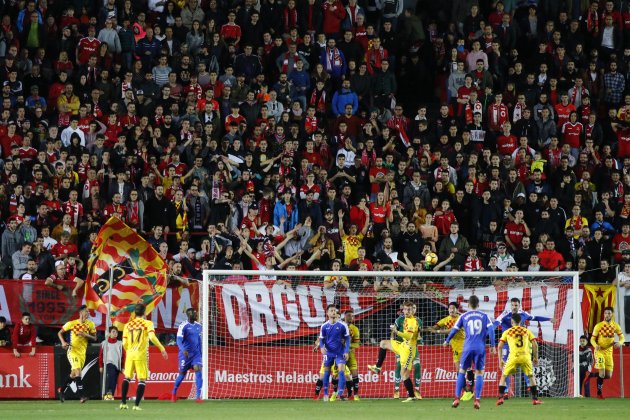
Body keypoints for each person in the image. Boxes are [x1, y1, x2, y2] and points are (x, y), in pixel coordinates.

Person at [444, 295, 496, 409]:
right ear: (478, 305)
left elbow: (454, 330)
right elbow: (491, 330)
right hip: (480, 347)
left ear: (468, 305)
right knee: (479, 373)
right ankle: (477, 400)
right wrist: (493, 345)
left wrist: (447, 340)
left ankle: (457, 398)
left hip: (467, 347)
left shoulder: (464, 316)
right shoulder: (484, 315)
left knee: (462, 371)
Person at [493, 297, 554, 394]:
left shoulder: (523, 314)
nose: (514, 307)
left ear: (519, 305)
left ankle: (529, 386)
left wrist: (549, 319)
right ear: (510, 305)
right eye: (512, 305)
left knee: (526, 364)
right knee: (505, 368)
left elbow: (535, 318)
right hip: (507, 345)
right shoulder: (505, 314)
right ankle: (505, 390)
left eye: (516, 305)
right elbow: (496, 323)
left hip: (520, 346)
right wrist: (490, 330)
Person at [368, 301, 420, 403]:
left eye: (409, 310)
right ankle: (378, 367)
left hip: (408, 349)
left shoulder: (412, 321)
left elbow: (409, 336)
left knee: (404, 374)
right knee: (383, 343)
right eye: (405, 309)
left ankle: (411, 396)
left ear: (412, 311)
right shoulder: (405, 319)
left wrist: (397, 332)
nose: (406, 311)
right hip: (402, 345)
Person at [120, 303, 168, 410]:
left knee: (127, 377)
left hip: (129, 354)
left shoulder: (128, 325)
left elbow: (124, 343)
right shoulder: (147, 323)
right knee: (141, 379)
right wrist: (162, 348)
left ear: (134, 313)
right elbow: (152, 337)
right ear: (144, 312)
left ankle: (123, 403)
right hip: (140, 355)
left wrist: (129, 350)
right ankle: (136, 405)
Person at [495, 313, 543, 406]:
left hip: (513, 357)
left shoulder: (508, 331)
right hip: (525, 357)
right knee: (531, 376)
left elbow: (500, 346)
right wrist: (535, 357)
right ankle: (535, 399)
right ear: (520, 322)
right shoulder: (526, 331)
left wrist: (500, 359)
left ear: (512, 322)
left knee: (504, 376)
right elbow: (535, 344)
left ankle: (501, 398)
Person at [429, 302, 473, 400]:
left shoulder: (461, 318)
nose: (451, 310)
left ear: (457, 309)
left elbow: (453, 330)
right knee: (459, 370)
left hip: (464, 346)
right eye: (450, 308)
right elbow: (436, 325)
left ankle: (470, 391)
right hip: (455, 348)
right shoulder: (446, 319)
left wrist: (437, 331)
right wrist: (430, 328)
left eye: (453, 308)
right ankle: (466, 391)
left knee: (467, 369)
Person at [57, 305, 97, 403]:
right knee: (78, 372)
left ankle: (61, 389)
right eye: (87, 312)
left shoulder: (90, 324)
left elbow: (95, 338)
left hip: (82, 353)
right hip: (72, 351)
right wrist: (63, 342)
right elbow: (59, 333)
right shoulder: (72, 323)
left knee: (74, 375)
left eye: (88, 312)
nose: (88, 313)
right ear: (81, 312)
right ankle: (82, 396)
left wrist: (85, 335)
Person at [590, 306, 625, 399]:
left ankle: (592, 375)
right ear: (604, 314)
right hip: (599, 351)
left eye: (609, 313)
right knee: (602, 373)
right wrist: (595, 346)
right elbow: (592, 339)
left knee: (608, 376)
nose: (607, 315)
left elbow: (622, 338)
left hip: (609, 352)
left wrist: (620, 343)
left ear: (612, 314)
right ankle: (599, 394)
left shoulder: (616, 326)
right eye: (605, 313)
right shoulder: (599, 325)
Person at [319, 304, 350, 401]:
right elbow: (321, 339)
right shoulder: (324, 326)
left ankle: (339, 394)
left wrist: (346, 351)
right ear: (327, 313)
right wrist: (321, 347)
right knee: (326, 371)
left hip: (340, 352)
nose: (333, 312)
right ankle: (325, 393)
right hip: (328, 353)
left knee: (341, 370)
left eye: (334, 310)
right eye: (331, 310)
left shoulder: (342, 325)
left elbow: (347, 338)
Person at [171, 308, 203, 403]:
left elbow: (199, 340)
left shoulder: (199, 326)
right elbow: (179, 340)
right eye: (194, 314)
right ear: (189, 315)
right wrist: (183, 349)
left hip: (196, 354)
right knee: (182, 374)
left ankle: (198, 397)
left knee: (198, 369)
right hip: (185, 354)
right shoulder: (183, 326)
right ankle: (174, 393)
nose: (196, 315)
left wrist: (200, 353)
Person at [391, 304, 422, 399]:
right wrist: (392, 339)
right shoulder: (399, 320)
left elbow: (418, 333)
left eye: (413, 308)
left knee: (417, 366)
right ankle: (396, 390)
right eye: (407, 309)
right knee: (399, 366)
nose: (410, 310)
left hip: (412, 346)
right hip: (401, 345)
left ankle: (416, 390)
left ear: (414, 310)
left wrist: (420, 341)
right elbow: (393, 331)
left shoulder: (417, 320)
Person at [99, 326, 124, 401]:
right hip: (108, 363)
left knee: (114, 380)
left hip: (117, 365)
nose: (115, 333)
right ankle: (109, 391)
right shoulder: (104, 343)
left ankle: (110, 396)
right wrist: (100, 366)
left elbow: (123, 356)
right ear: (109, 333)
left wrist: (122, 367)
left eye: (116, 332)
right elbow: (100, 355)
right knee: (111, 375)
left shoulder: (120, 343)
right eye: (113, 332)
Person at [344, 309, 360, 401]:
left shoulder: (355, 329)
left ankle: (356, 394)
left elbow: (357, 344)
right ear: (345, 316)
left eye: (353, 316)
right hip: (340, 355)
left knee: (354, 374)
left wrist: (347, 345)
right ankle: (347, 394)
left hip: (351, 355)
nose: (351, 318)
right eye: (349, 316)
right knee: (340, 375)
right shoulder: (340, 326)